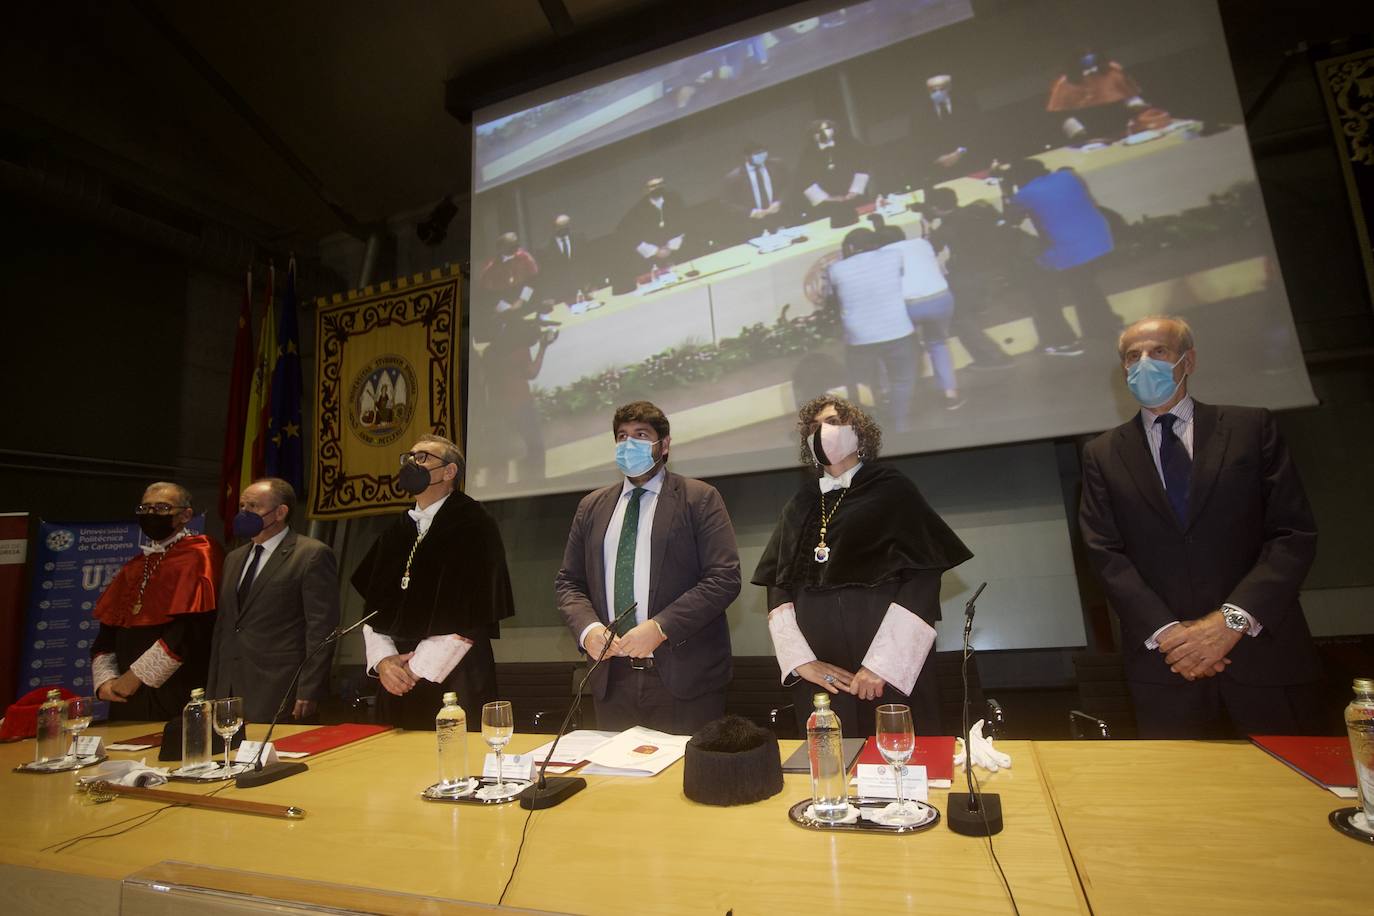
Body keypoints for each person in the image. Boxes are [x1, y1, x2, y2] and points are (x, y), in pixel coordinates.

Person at [1078, 316, 1323, 738]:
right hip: (1166, 666)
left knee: (1289, 796)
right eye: (1132, 356)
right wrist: (1172, 635)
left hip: (1262, 655)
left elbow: (1292, 534)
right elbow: (1104, 553)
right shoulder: (1101, 453)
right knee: (1182, 799)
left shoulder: (1251, 428)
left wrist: (1228, 622)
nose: (1144, 364)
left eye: (1159, 352)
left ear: (1187, 361)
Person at [752, 395, 972, 737]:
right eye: (814, 427)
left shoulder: (893, 490)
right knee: (831, 765)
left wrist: (881, 665)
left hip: (886, 672)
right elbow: (777, 585)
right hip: (821, 676)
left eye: (834, 423)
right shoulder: (800, 503)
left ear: (860, 435)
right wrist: (802, 662)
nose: (822, 432)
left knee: (896, 759)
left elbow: (923, 579)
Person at [555, 400, 741, 734]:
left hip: (684, 678)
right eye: (622, 436)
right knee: (617, 782)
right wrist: (588, 631)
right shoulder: (591, 507)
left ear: (664, 444)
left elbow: (724, 578)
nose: (629, 444)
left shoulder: (699, 498)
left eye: (641, 435)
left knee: (684, 781)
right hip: (611, 677)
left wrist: (660, 627)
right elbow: (569, 582)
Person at [351, 434, 515, 730]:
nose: (412, 463)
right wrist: (385, 662)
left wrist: (413, 669)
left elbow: (472, 613)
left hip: (455, 676)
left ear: (449, 472)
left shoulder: (474, 524)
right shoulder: (396, 531)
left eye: (423, 457)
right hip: (395, 679)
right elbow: (374, 609)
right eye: (409, 457)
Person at [208, 478, 340, 724]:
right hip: (228, 689)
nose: (244, 513)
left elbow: (321, 628)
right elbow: (225, 626)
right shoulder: (234, 558)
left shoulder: (311, 554)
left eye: (254, 506)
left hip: (279, 687)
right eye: (242, 506)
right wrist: (214, 687)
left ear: (280, 512)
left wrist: (309, 689)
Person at [91, 482, 223, 721]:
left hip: (172, 686)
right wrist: (105, 681)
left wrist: (136, 677)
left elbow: (192, 628)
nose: (151, 515)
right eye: (145, 508)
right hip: (122, 690)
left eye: (162, 508)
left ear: (185, 515)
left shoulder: (200, 553)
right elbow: (108, 629)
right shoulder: (135, 565)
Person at [1004, 158, 1122, 355]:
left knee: (1036, 280)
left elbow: (1010, 219)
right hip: (1100, 238)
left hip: (1071, 250)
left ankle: (1060, 339)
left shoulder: (1023, 195)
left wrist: (1007, 191)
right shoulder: (1067, 176)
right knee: (1083, 283)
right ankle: (1104, 326)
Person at [827, 227, 917, 432]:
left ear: (849, 247)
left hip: (859, 336)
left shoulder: (835, 269)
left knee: (862, 382)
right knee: (901, 380)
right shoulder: (894, 256)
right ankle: (899, 423)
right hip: (898, 329)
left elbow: (831, 300)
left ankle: (869, 423)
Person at [924, 187, 1015, 370]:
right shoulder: (977, 209)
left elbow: (928, 250)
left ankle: (994, 357)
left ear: (935, 208)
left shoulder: (945, 229)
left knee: (958, 316)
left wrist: (926, 226)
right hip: (997, 268)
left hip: (971, 276)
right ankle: (989, 357)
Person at [876, 224, 963, 410]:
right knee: (938, 345)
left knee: (895, 348)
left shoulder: (880, 255)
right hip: (941, 298)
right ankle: (951, 395)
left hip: (909, 305)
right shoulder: (921, 243)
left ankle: (894, 395)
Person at [1046, 50, 1148, 143]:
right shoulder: (1064, 84)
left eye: (1089, 52)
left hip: (1126, 131)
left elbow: (1131, 95)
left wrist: (1136, 107)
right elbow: (1059, 116)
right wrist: (1080, 136)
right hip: (1090, 138)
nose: (1087, 56)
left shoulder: (1113, 70)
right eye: (1082, 54)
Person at [913, 74, 994, 190]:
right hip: (941, 170)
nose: (937, 92)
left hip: (972, 162)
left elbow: (977, 131)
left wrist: (959, 152)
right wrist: (937, 158)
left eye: (941, 88)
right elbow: (917, 141)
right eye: (932, 90)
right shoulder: (920, 113)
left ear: (949, 87)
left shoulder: (967, 104)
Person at [617, 177, 693, 287]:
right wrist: (655, 251)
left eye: (660, 184)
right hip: (653, 260)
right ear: (645, 190)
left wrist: (671, 246)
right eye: (653, 186)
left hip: (680, 251)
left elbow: (685, 222)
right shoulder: (637, 211)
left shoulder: (674, 199)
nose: (657, 188)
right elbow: (626, 234)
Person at [796, 119, 872, 224]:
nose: (823, 133)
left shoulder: (849, 144)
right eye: (818, 131)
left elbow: (863, 166)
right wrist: (830, 198)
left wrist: (854, 191)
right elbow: (804, 181)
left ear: (833, 130)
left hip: (855, 198)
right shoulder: (807, 155)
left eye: (827, 129)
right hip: (828, 206)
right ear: (813, 135)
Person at [720, 140, 790, 243]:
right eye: (757, 154)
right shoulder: (733, 178)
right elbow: (727, 203)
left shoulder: (777, 165)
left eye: (763, 152)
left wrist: (779, 201)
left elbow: (788, 185)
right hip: (753, 225)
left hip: (779, 218)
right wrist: (750, 212)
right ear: (747, 156)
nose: (761, 156)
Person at [476, 231, 540, 336]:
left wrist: (521, 300)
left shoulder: (525, 257)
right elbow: (487, 295)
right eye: (512, 246)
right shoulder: (491, 268)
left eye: (517, 244)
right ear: (501, 248)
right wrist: (506, 308)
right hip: (504, 314)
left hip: (527, 306)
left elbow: (533, 281)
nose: (516, 248)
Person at [537, 214, 602, 306]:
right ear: (554, 228)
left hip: (584, 290)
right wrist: (548, 297)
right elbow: (545, 277)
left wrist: (594, 284)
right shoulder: (545, 250)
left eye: (565, 226)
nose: (563, 229)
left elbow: (590, 262)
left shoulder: (580, 238)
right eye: (560, 227)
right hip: (561, 297)